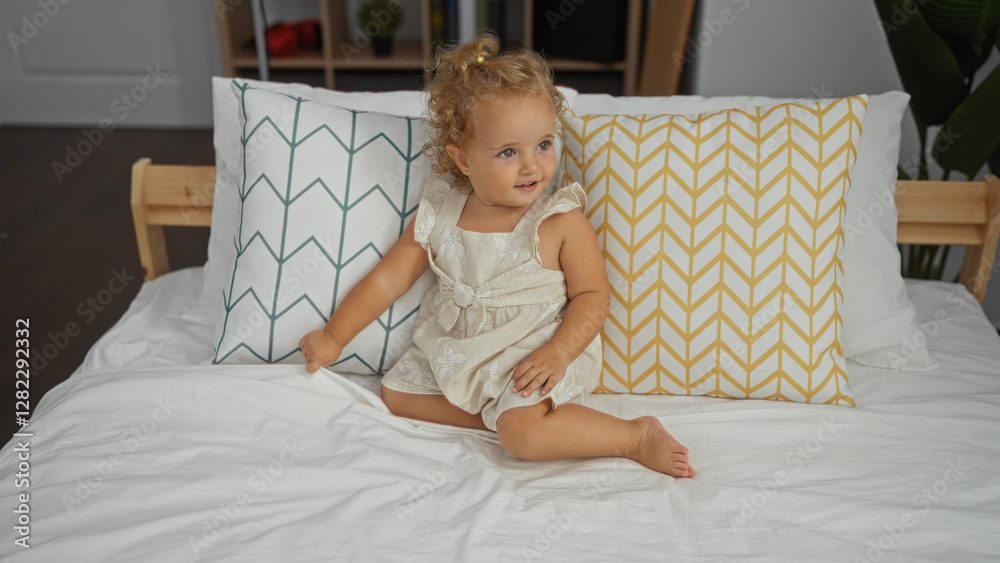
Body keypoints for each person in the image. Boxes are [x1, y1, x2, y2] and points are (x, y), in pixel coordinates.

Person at [299, 34, 693, 478]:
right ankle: (498, 418)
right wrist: (334, 337)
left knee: (524, 435)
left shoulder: (559, 219)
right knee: (397, 395)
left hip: (534, 354)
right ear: (463, 159)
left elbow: (593, 296)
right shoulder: (441, 209)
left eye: (544, 144)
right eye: (508, 152)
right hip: (462, 350)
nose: (532, 166)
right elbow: (389, 280)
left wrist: (560, 353)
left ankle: (633, 436)